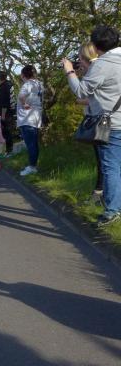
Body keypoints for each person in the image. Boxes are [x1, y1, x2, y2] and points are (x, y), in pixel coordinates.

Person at [64, 24, 121, 227]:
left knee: (110, 167)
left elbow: (81, 92)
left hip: (111, 124)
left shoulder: (102, 65)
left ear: (96, 47)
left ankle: (112, 210)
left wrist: (70, 72)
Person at [73, 42, 103, 205]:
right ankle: (102, 194)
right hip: (102, 120)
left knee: (104, 162)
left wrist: (71, 73)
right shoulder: (100, 68)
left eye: (80, 58)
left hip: (101, 122)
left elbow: (89, 97)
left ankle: (100, 195)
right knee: (105, 161)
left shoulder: (97, 70)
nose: (78, 61)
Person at [17, 65, 43, 176]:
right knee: (34, 144)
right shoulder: (39, 84)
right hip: (36, 117)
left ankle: (32, 167)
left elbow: (21, 96)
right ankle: (33, 165)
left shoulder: (27, 84)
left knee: (30, 144)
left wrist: (24, 104)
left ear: (23, 75)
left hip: (26, 118)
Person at [0, 71, 15, 155]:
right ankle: (8, 150)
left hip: (6, 112)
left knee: (7, 132)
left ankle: (9, 151)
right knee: (8, 131)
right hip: (11, 111)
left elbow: (4, 103)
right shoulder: (9, 84)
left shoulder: (4, 87)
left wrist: (3, 115)